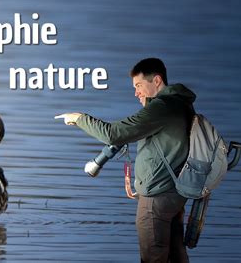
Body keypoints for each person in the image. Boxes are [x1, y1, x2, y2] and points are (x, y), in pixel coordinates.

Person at [57, 58, 196, 262]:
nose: (136, 92)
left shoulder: (161, 107)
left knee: (152, 257)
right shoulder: (181, 103)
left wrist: (79, 118)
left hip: (156, 200)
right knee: (176, 257)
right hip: (175, 195)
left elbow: (113, 134)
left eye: (139, 85)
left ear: (156, 80)